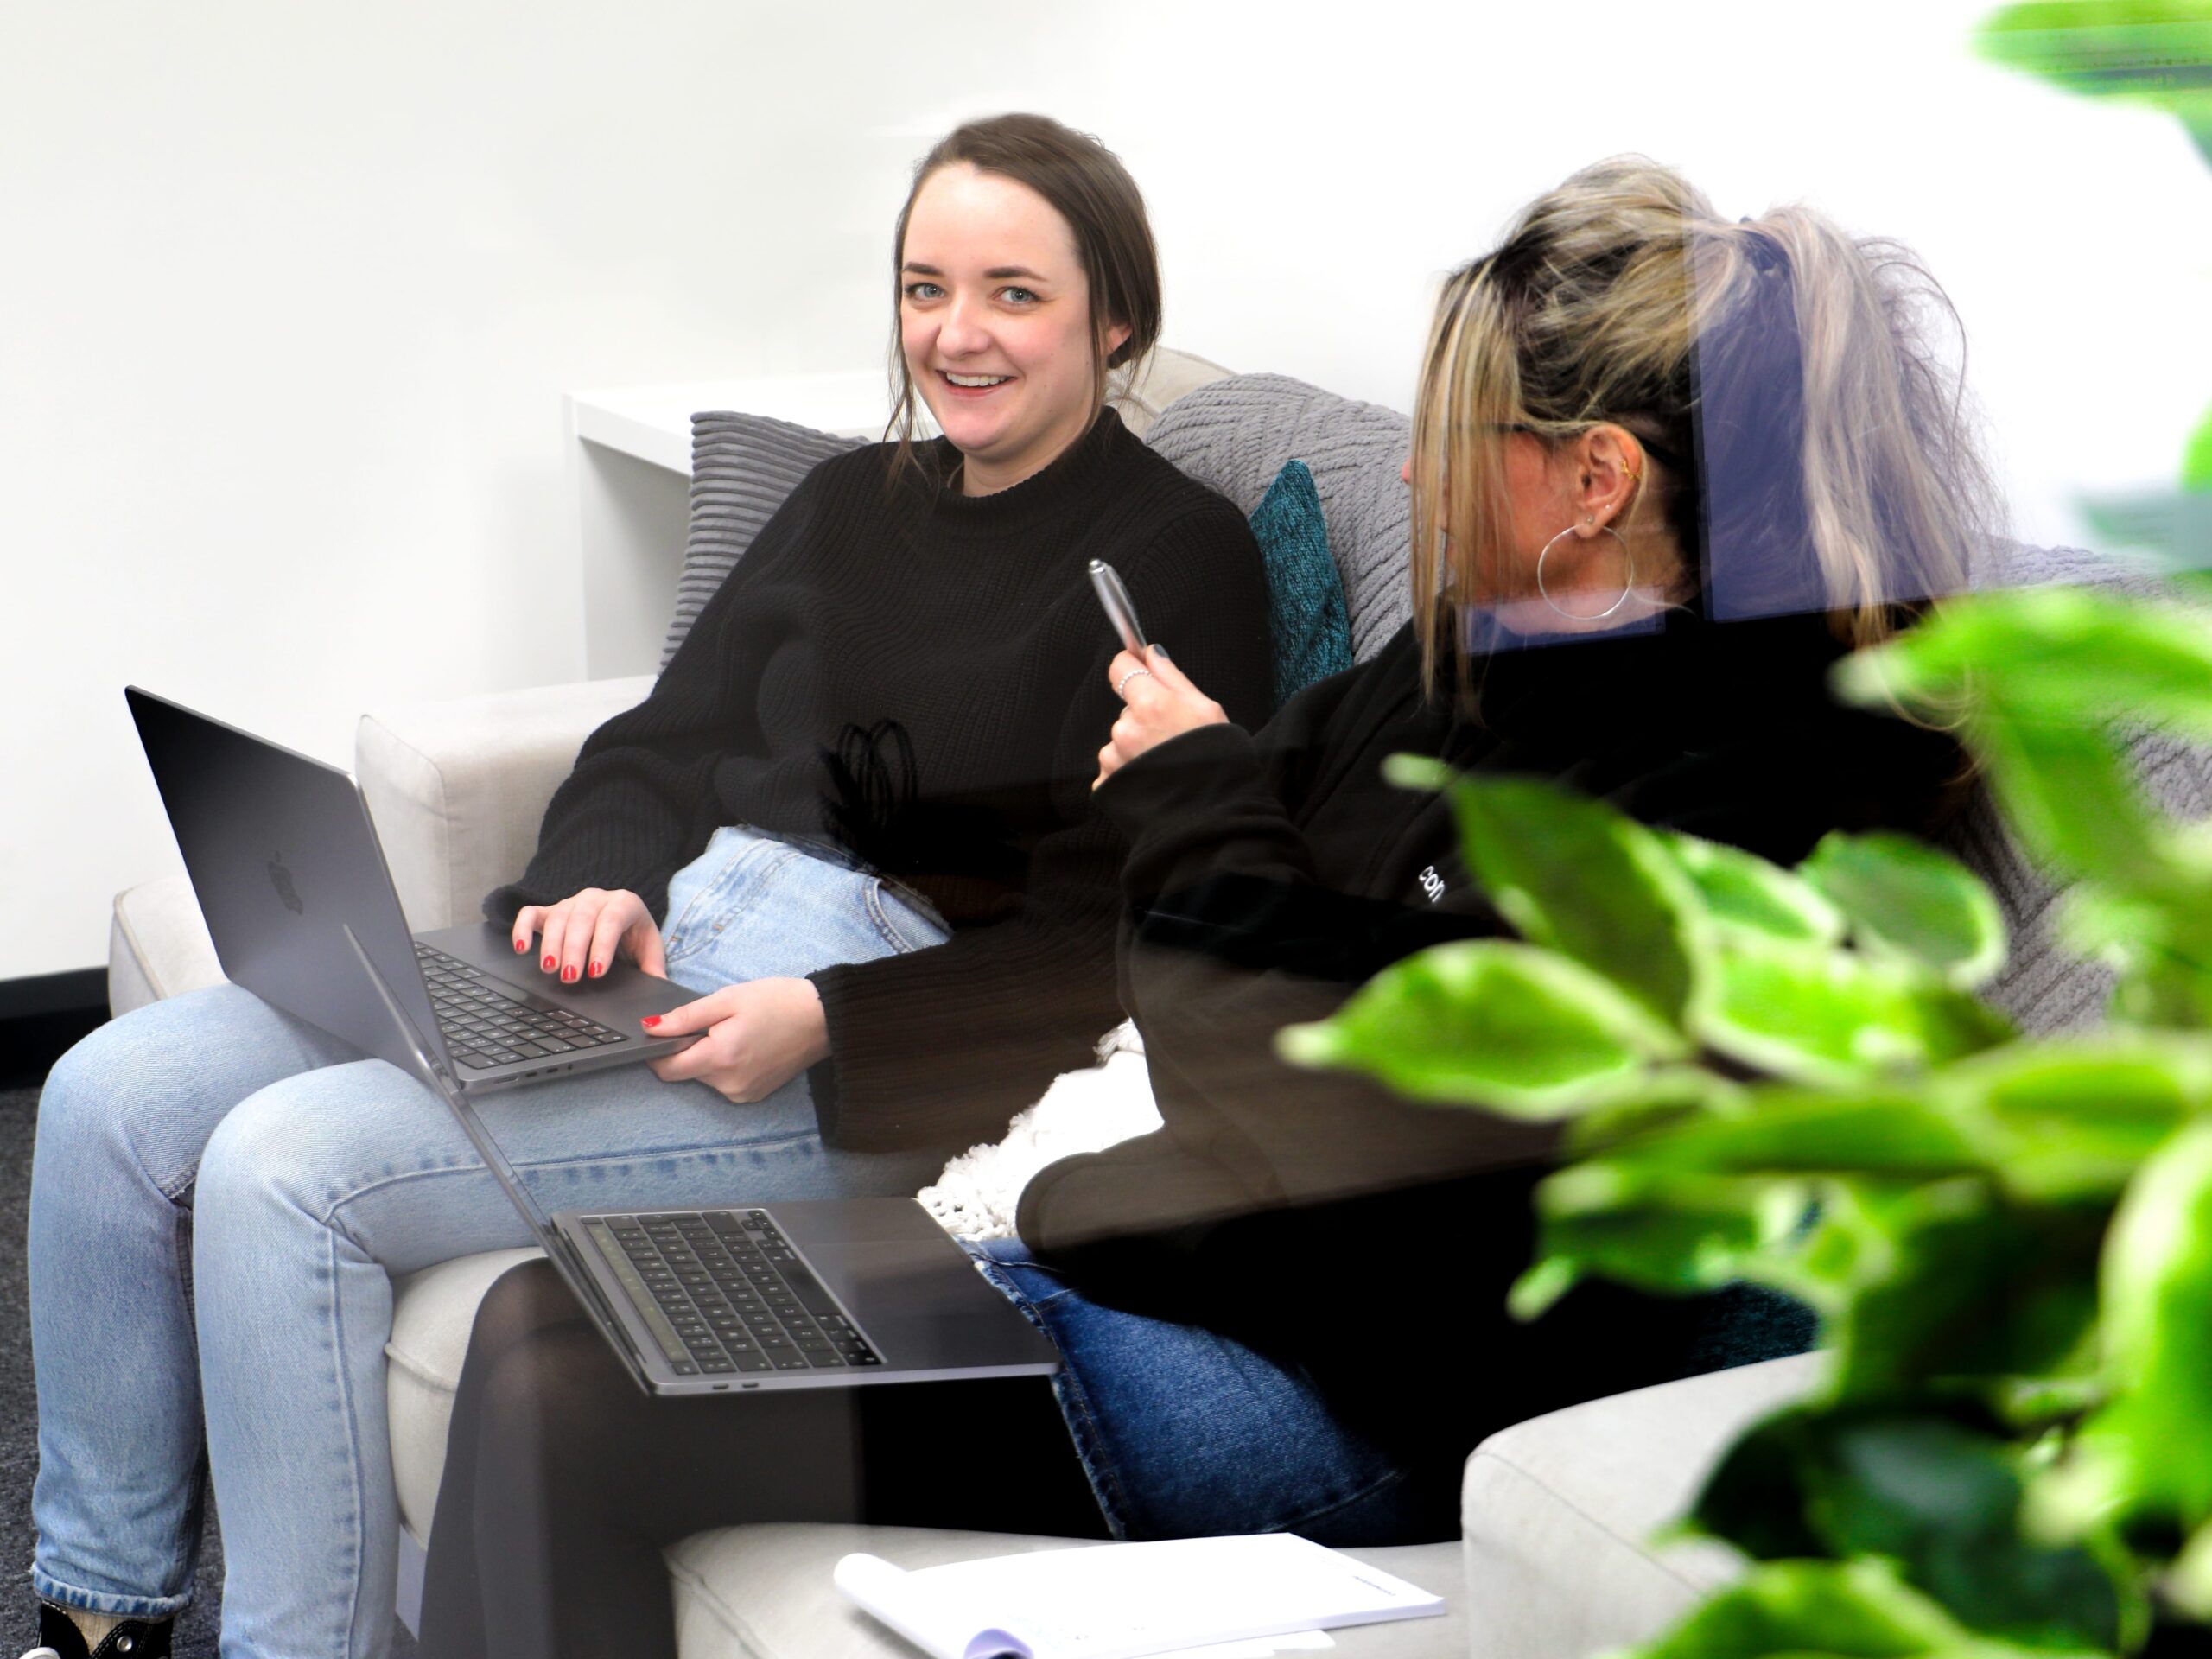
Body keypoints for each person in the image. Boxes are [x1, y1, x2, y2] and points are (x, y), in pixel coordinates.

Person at [414, 155, 1997, 1659]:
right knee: (566, 1316)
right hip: (1188, 1239)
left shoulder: (1764, 798)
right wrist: (1230, 836)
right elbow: (1213, 944)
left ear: (1596, 479)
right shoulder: (1480, 659)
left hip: (1349, 1383)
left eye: (1453, 439)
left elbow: (1335, 1074)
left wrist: (1205, 809)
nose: (1406, 472)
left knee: (584, 1404)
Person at [20, 114, 1272, 1659]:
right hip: (655, 959)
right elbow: (650, 750)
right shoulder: (845, 506)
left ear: (1117, 316)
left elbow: (1111, 948)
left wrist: (830, 1017)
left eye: (1014, 293)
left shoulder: (1174, 560)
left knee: (290, 1170)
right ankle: (100, 1625)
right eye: (923, 286)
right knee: (107, 1095)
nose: (957, 334)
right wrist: (595, 885)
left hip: (857, 1059)